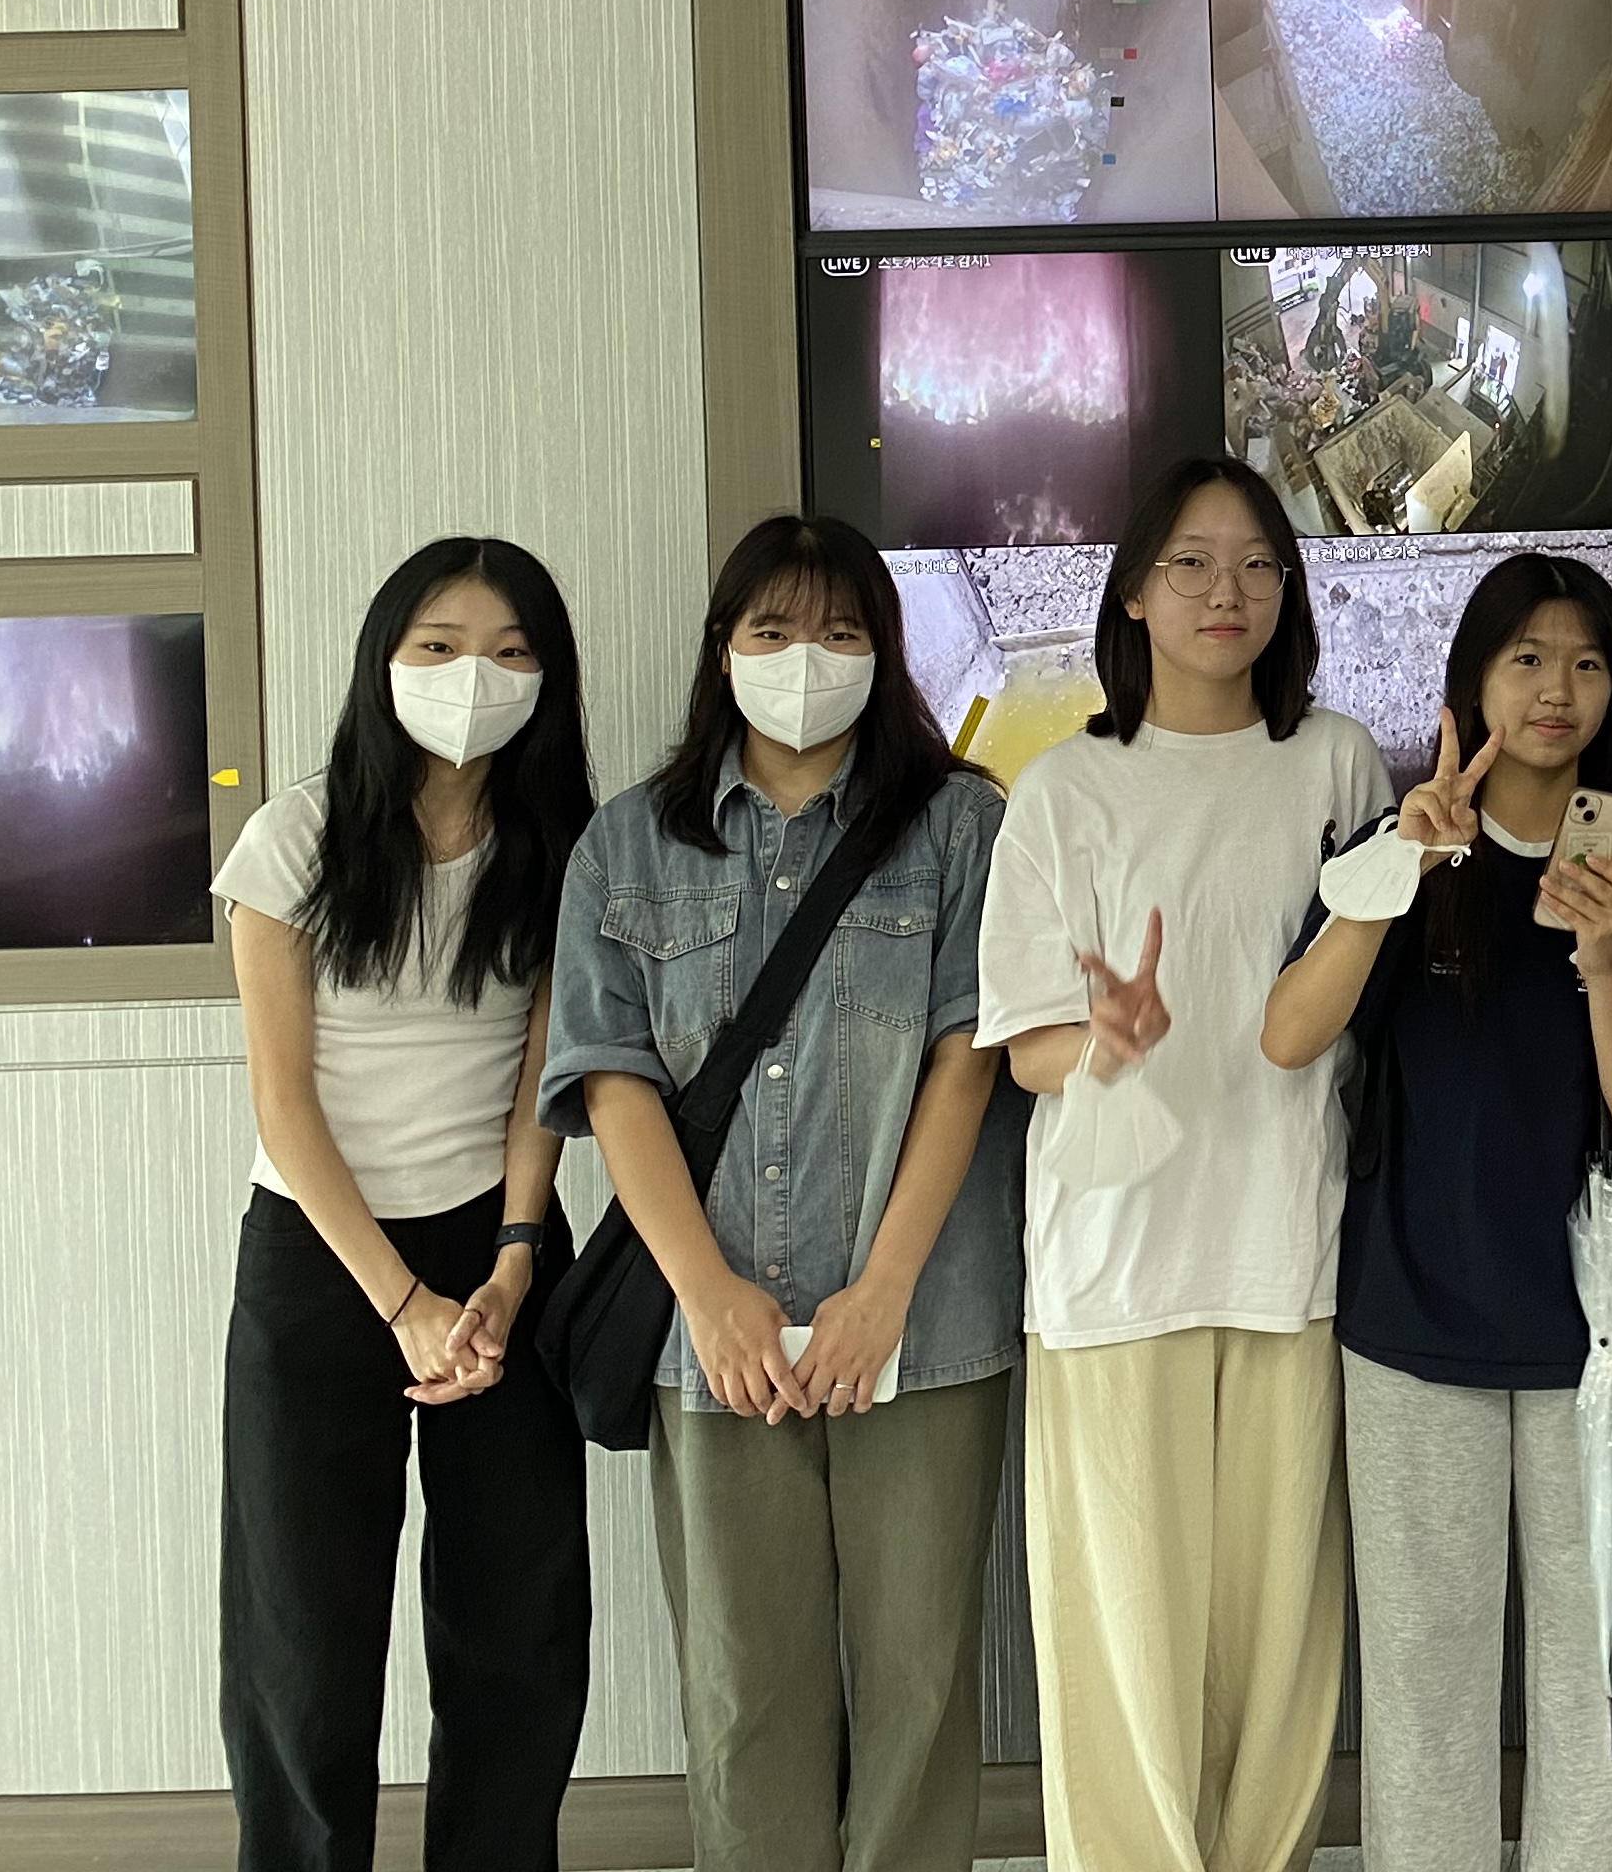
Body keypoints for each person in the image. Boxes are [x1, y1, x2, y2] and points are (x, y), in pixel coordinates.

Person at [545, 516, 1022, 1872]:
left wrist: (884, 1290)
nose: (805, 658)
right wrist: (709, 1295)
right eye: (772, 629)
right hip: (715, 1338)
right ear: (723, 650)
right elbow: (613, 1082)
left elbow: (968, 1060)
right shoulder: (628, 845)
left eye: (840, 631)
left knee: (919, 1687)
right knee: (746, 1689)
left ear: (884, 650)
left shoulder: (962, 824)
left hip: (924, 1325)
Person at [1260, 552, 1612, 1872]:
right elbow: (1288, 1034)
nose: (1556, 689)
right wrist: (1403, 862)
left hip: (1600, 1341)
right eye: (1526, 659)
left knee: (1598, 1673)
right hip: (1415, 1324)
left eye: (1587, 663)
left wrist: (1603, 959)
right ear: (1472, 683)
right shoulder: (1396, 854)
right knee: (1425, 1679)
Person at [976, 460, 1389, 1872]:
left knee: (1278, 1659)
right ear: (1136, 593)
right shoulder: (1064, 789)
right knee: (1122, 1660)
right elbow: (1022, 1050)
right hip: (1111, 1267)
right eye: (1193, 564)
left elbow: (1356, 995)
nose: (1228, 592)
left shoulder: (1336, 765)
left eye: (1259, 564)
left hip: (1286, 1248)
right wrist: (1102, 1037)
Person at [218, 538, 596, 1872]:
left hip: (499, 1245)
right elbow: (284, 1105)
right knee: (303, 1637)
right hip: (323, 1257)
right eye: (439, 647)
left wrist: (510, 1262)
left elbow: (544, 1077)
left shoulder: (563, 851)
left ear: (547, 680)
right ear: (384, 662)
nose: (473, 677)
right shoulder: (293, 840)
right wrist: (405, 1305)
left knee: (518, 1627)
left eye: (510, 651)